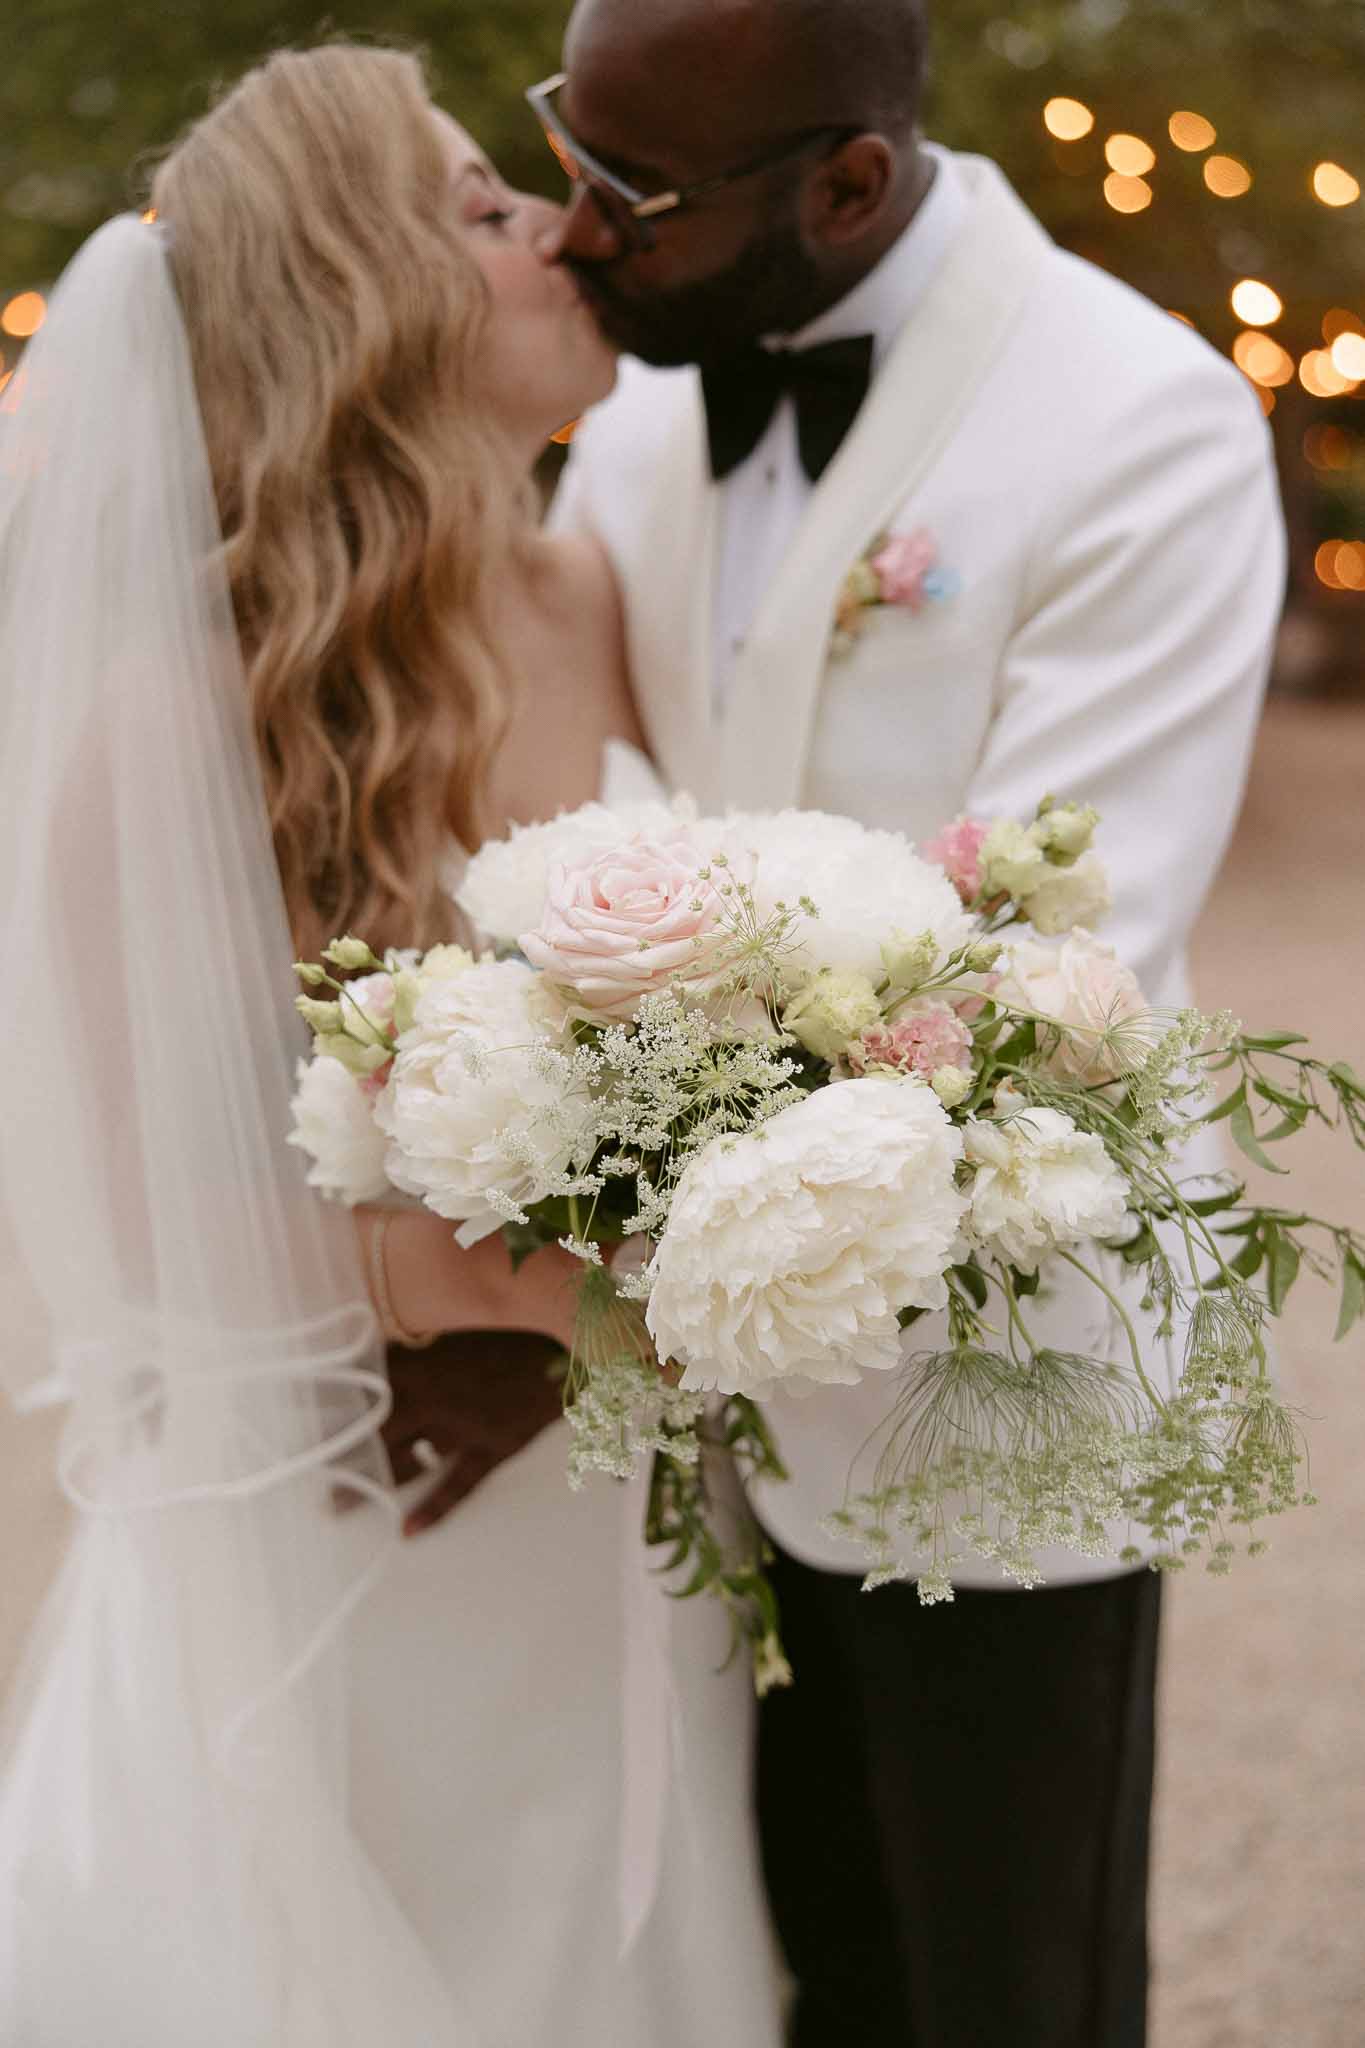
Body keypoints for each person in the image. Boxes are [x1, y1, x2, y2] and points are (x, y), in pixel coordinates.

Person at [0, 45, 781, 2047]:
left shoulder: (590, 591)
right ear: (356, 298)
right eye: (470, 204)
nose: (554, 224)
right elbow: (145, 1240)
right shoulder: (159, 723)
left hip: (602, 1531)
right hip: (335, 1565)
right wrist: (588, 1277)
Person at [533, 1, 1288, 2042]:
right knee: (807, 1966)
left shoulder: (1138, 418)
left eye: (631, 192)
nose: (571, 229)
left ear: (843, 182)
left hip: (1000, 1371)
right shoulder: (628, 419)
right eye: (566, 151)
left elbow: (1064, 947)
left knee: (1006, 1985)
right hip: (696, 1405)